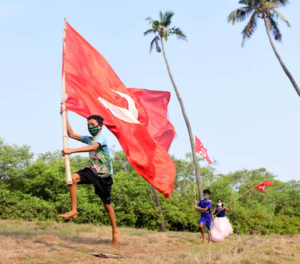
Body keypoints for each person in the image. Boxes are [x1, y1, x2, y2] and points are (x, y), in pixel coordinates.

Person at [60, 108, 119, 247]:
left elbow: (93, 147)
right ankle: (74, 210)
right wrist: (65, 115)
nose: (90, 127)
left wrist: (72, 151)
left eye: (92, 124)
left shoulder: (101, 138)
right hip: (92, 171)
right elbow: (71, 134)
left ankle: (115, 231)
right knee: (72, 178)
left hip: (104, 176)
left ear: (100, 126)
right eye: (88, 125)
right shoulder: (89, 138)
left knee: (107, 205)